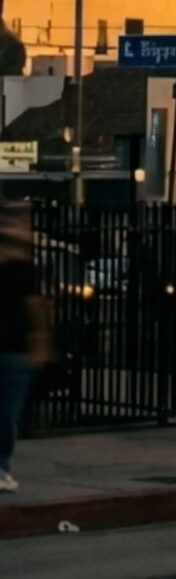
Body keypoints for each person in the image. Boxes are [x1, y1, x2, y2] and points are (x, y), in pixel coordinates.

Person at [0, 204, 53, 494]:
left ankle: (2, 465)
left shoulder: (22, 269)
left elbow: (34, 308)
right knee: (7, 413)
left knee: (7, 412)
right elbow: (36, 310)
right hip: (15, 350)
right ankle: (2, 467)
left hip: (15, 349)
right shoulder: (23, 268)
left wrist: (40, 343)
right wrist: (41, 343)